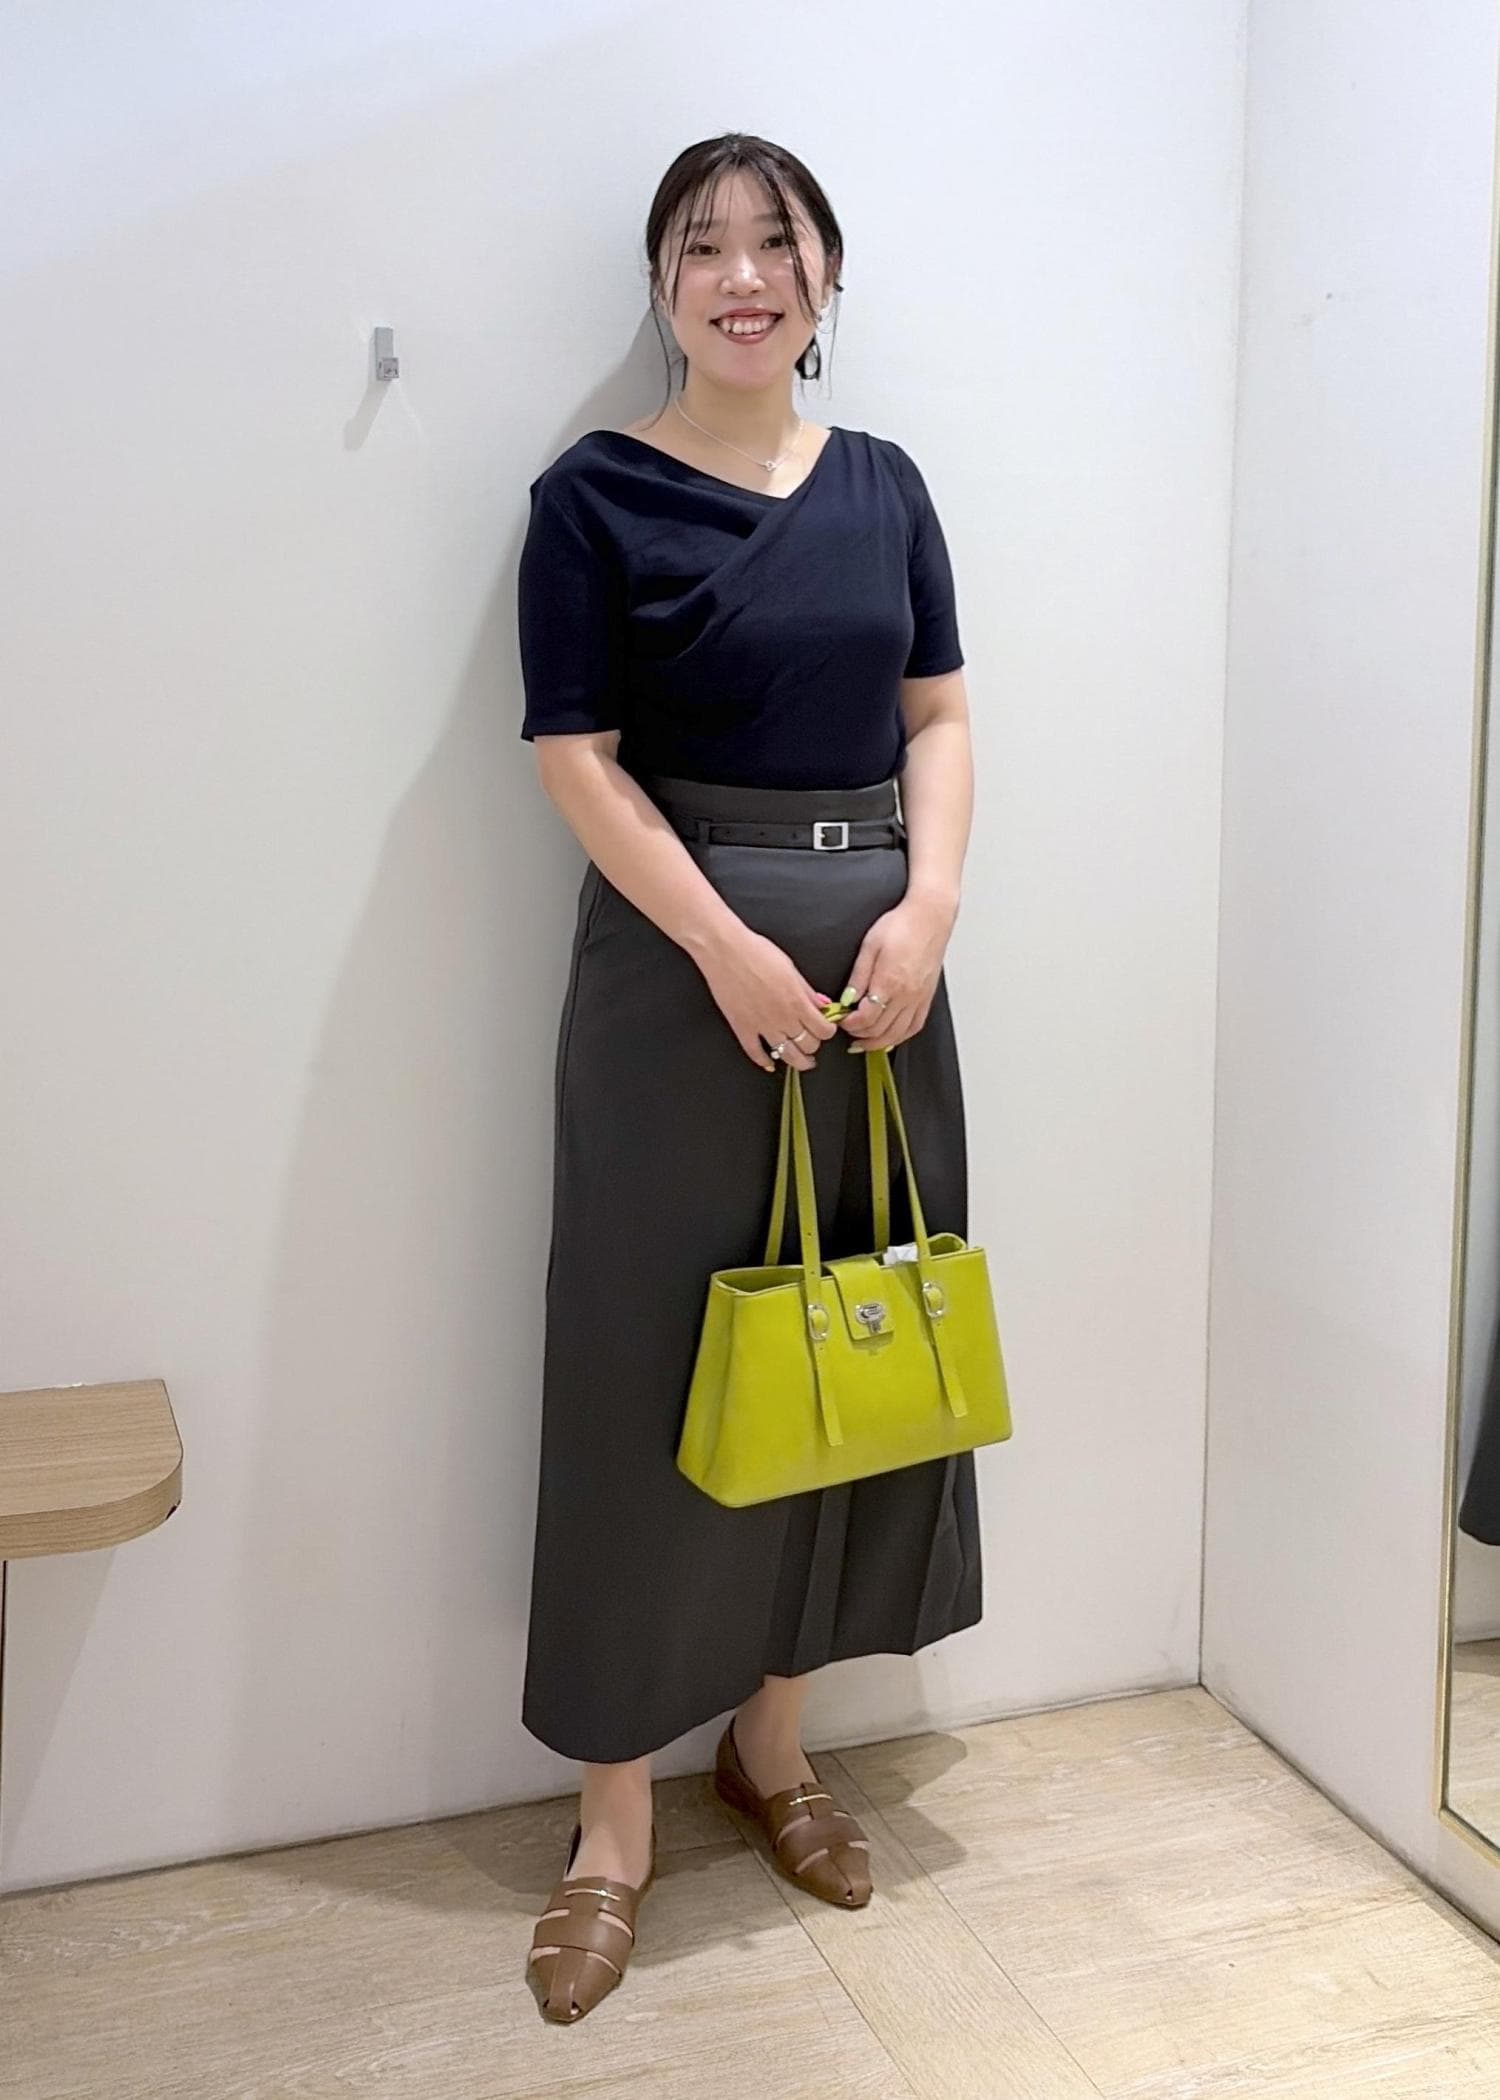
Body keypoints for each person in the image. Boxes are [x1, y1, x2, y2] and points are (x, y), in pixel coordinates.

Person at [516, 131, 982, 2024]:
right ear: (660, 283)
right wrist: (722, 947)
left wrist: (926, 909)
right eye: (701, 245)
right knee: (645, 1367)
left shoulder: (886, 486)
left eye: (773, 242)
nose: (740, 275)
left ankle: (771, 1746)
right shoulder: (593, 497)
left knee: (846, 1347)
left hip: (882, 988)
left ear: (823, 276)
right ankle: (610, 1819)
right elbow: (573, 757)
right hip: (677, 983)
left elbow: (937, 714)